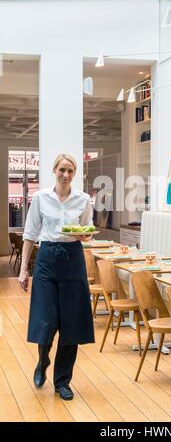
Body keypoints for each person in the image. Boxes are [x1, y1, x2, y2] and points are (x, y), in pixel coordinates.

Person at [18, 153, 95, 401]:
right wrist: (23, 270)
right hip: (47, 260)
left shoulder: (83, 200)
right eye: (62, 170)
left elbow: (87, 230)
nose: (66, 175)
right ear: (54, 170)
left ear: (75, 173)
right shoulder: (41, 198)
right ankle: (42, 362)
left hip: (73, 259)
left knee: (71, 323)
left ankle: (62, 381)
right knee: (47, 321)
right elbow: (30, 233)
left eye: (70, 171)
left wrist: (85, 236)